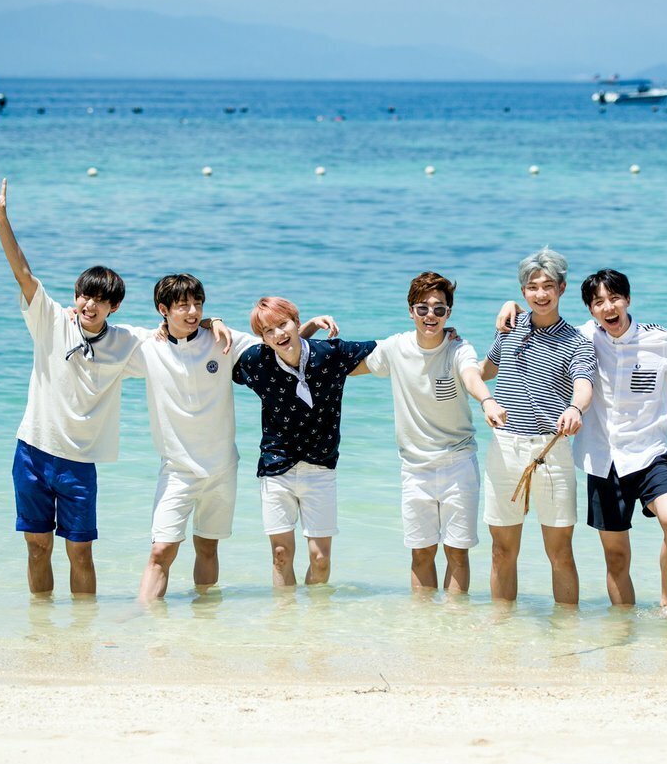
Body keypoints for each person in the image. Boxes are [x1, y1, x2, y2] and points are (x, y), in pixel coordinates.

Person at [496, 269, 667, 621]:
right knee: (616, 558)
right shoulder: (584, 338)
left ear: (628, 300)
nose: (608, 307)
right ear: (590, 309)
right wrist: (512, 304)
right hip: (603, 461)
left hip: (650, 455)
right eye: (599, 302)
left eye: (615, 298)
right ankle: (622, 629)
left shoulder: (661, 340)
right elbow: (543, 316)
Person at [131, 276, 335, 602]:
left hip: (221, 466)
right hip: (177, 469)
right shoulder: (147, 346)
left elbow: (277, 348)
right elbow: (101, 337)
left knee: (207, 547)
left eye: (198, 304)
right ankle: (145, 618)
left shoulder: (221, 339)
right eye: (183, 306)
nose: (193, 312)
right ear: (163, 310)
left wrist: (307, 326)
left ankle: (205, 618)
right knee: (161, 550)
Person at [0, 177, 144, 597]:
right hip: (32, 452)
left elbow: (175, 338)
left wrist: (211, 322)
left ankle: (82, 632)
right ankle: (41, 629)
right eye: (84, 296)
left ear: (113, 306)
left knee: (81, 553)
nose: (89, 304)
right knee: (37, 548)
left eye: (100, 299)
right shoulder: (51, 321)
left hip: (78, 463)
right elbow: (23, 273)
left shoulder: (126, 343)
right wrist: (2, 220)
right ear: (76, 296)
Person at [354, 272, 507, 594]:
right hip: (414, 469)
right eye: (423, 308)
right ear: (411, 311)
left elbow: (471, 375)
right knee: (421, 553)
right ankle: (423, 624)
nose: (430, 316)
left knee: (457, 553)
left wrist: (487, 400)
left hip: (458, 464)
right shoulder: (395, 347)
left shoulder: (458, 348)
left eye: (439, 309)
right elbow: (350, 365)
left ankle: (453, 621)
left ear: (448, 313)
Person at [232, 298, 375, 588]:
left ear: (296, 322)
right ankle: (285, 616)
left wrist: (438, 337)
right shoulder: (257, 361)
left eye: (283, 324)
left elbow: (385, 350)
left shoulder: (329, 354)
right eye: (268, 331)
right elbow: (211, 352)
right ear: (262, 338)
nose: (277, 334)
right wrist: (211, 321)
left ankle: (316, 615)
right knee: (281, 555)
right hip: (276, 467)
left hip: (320, 467)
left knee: (320, 559)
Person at [480, 248, 596, 605]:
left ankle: (567, 628)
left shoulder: (577, 341)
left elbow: (584, 384)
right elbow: (484, 371)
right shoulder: (509, 329)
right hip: (504, 449)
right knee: (501, 551)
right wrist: (452, 349)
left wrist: (575, 408)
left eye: (548, 286)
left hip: (550, 452)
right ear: (523, 292)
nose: (541, 294)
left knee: (560, 553)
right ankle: (503, 628)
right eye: (532, 287)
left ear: (562, 288)